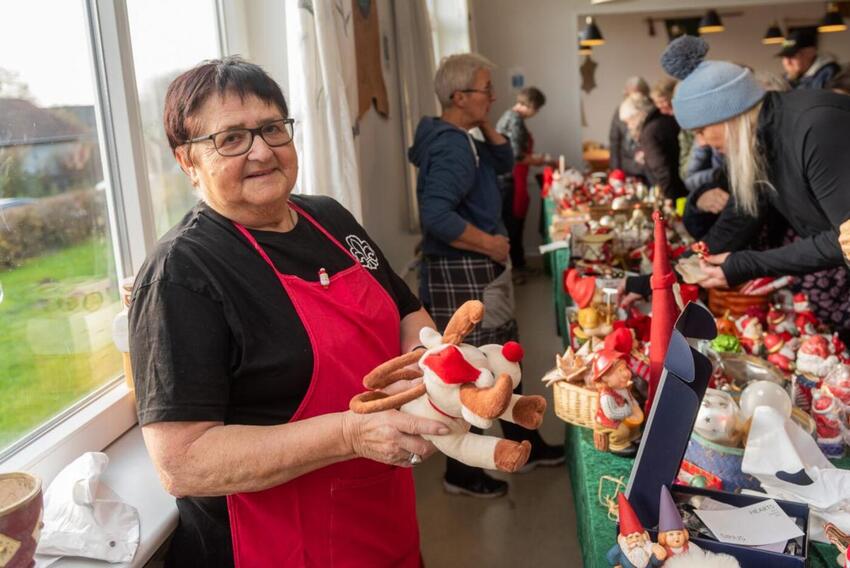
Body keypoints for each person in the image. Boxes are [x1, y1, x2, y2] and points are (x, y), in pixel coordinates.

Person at [130, 57, 450, 567]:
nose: (262, 151)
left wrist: (426, 370)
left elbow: (407, 313)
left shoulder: (329, 216)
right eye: (231, 138)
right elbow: (183, 463)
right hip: (275, 546)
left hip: (380, 522)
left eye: (273, 129)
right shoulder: (181, 273)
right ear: (187, 161)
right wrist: (350, 433)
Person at [408, 53, 564, 498]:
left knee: (496, 363)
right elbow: (436, 215)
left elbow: (501, 160)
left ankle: (526, 444)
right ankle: (463, 472)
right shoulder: (452, 143)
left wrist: (485, 120)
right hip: (467, 269)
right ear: (459, 96)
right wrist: (490, 243)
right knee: (478, 371)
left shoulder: (458, 134)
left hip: (466, 267)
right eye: (485, 90)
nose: (494, 97)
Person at [660, 35, 850, 336]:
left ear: (728, 116)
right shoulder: (763, 137)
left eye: (700, 130)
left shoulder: (815, 127)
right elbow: (736, 222)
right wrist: (661, 277)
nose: (702, 142)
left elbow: (845, 241)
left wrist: (745, 264)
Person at [496, 86, 549, 279]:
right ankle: (515, 269)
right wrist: (540, 159)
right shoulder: (516, 120)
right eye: (538, 109)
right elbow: (517, 156)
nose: (537, 113)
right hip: (512, 179)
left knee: (514, 225)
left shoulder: (507, 116)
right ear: (532, 106)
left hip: (512, 178)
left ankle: (518, 266)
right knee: (513, 225)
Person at [620, 91, 687, 201]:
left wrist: (668, 202)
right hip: (683, 187)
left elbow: (662, 171)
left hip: (673, 194)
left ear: (638, 114)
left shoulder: (649, 132)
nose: (629, 126)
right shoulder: (663, 119)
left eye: (629, 121)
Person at [609, 76, 650, 178]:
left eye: (638, 93)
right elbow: (614, 142)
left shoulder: (651, 111)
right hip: (627, 165)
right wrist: (615, 170)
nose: (634, 97)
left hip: (646, 166)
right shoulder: (620, 110)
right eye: (631, 93)